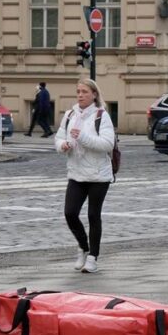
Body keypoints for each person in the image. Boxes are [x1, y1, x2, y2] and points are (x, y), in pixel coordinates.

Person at [55, 78, 116, 274]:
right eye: (78, 91)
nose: (80, 95)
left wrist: (81, 137)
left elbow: (107, 144)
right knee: (70, 213)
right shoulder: (70, 114)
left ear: (94, 95)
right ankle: (83, 246)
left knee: (93, 215)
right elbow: (59, 136)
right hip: (77, 171)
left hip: (99, 174)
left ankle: (93, 257)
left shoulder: (101, 116)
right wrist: (62, 145)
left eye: (85, 92)